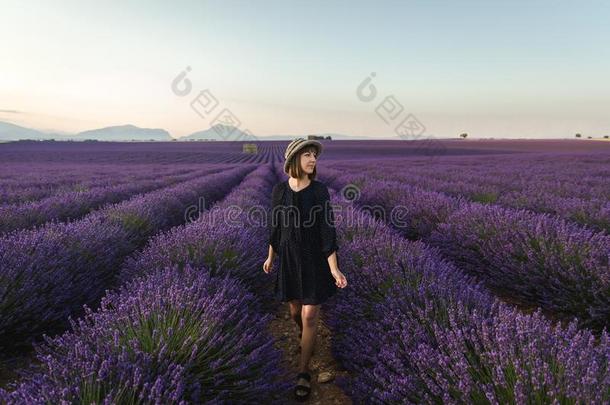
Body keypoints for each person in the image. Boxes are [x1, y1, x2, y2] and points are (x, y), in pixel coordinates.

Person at [263, 138, 347, 402]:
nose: (313, 160)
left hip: (314, 260)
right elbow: (276, 228)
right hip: (289, 259)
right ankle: (305, 339)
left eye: (315, 156)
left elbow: (327, 230)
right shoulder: (279, 191)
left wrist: (334, 269)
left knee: (311, 315)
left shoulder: (319, 191)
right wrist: (270, 257)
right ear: (294, 160)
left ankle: (303, 371)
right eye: (307, 155)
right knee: (295, 312)